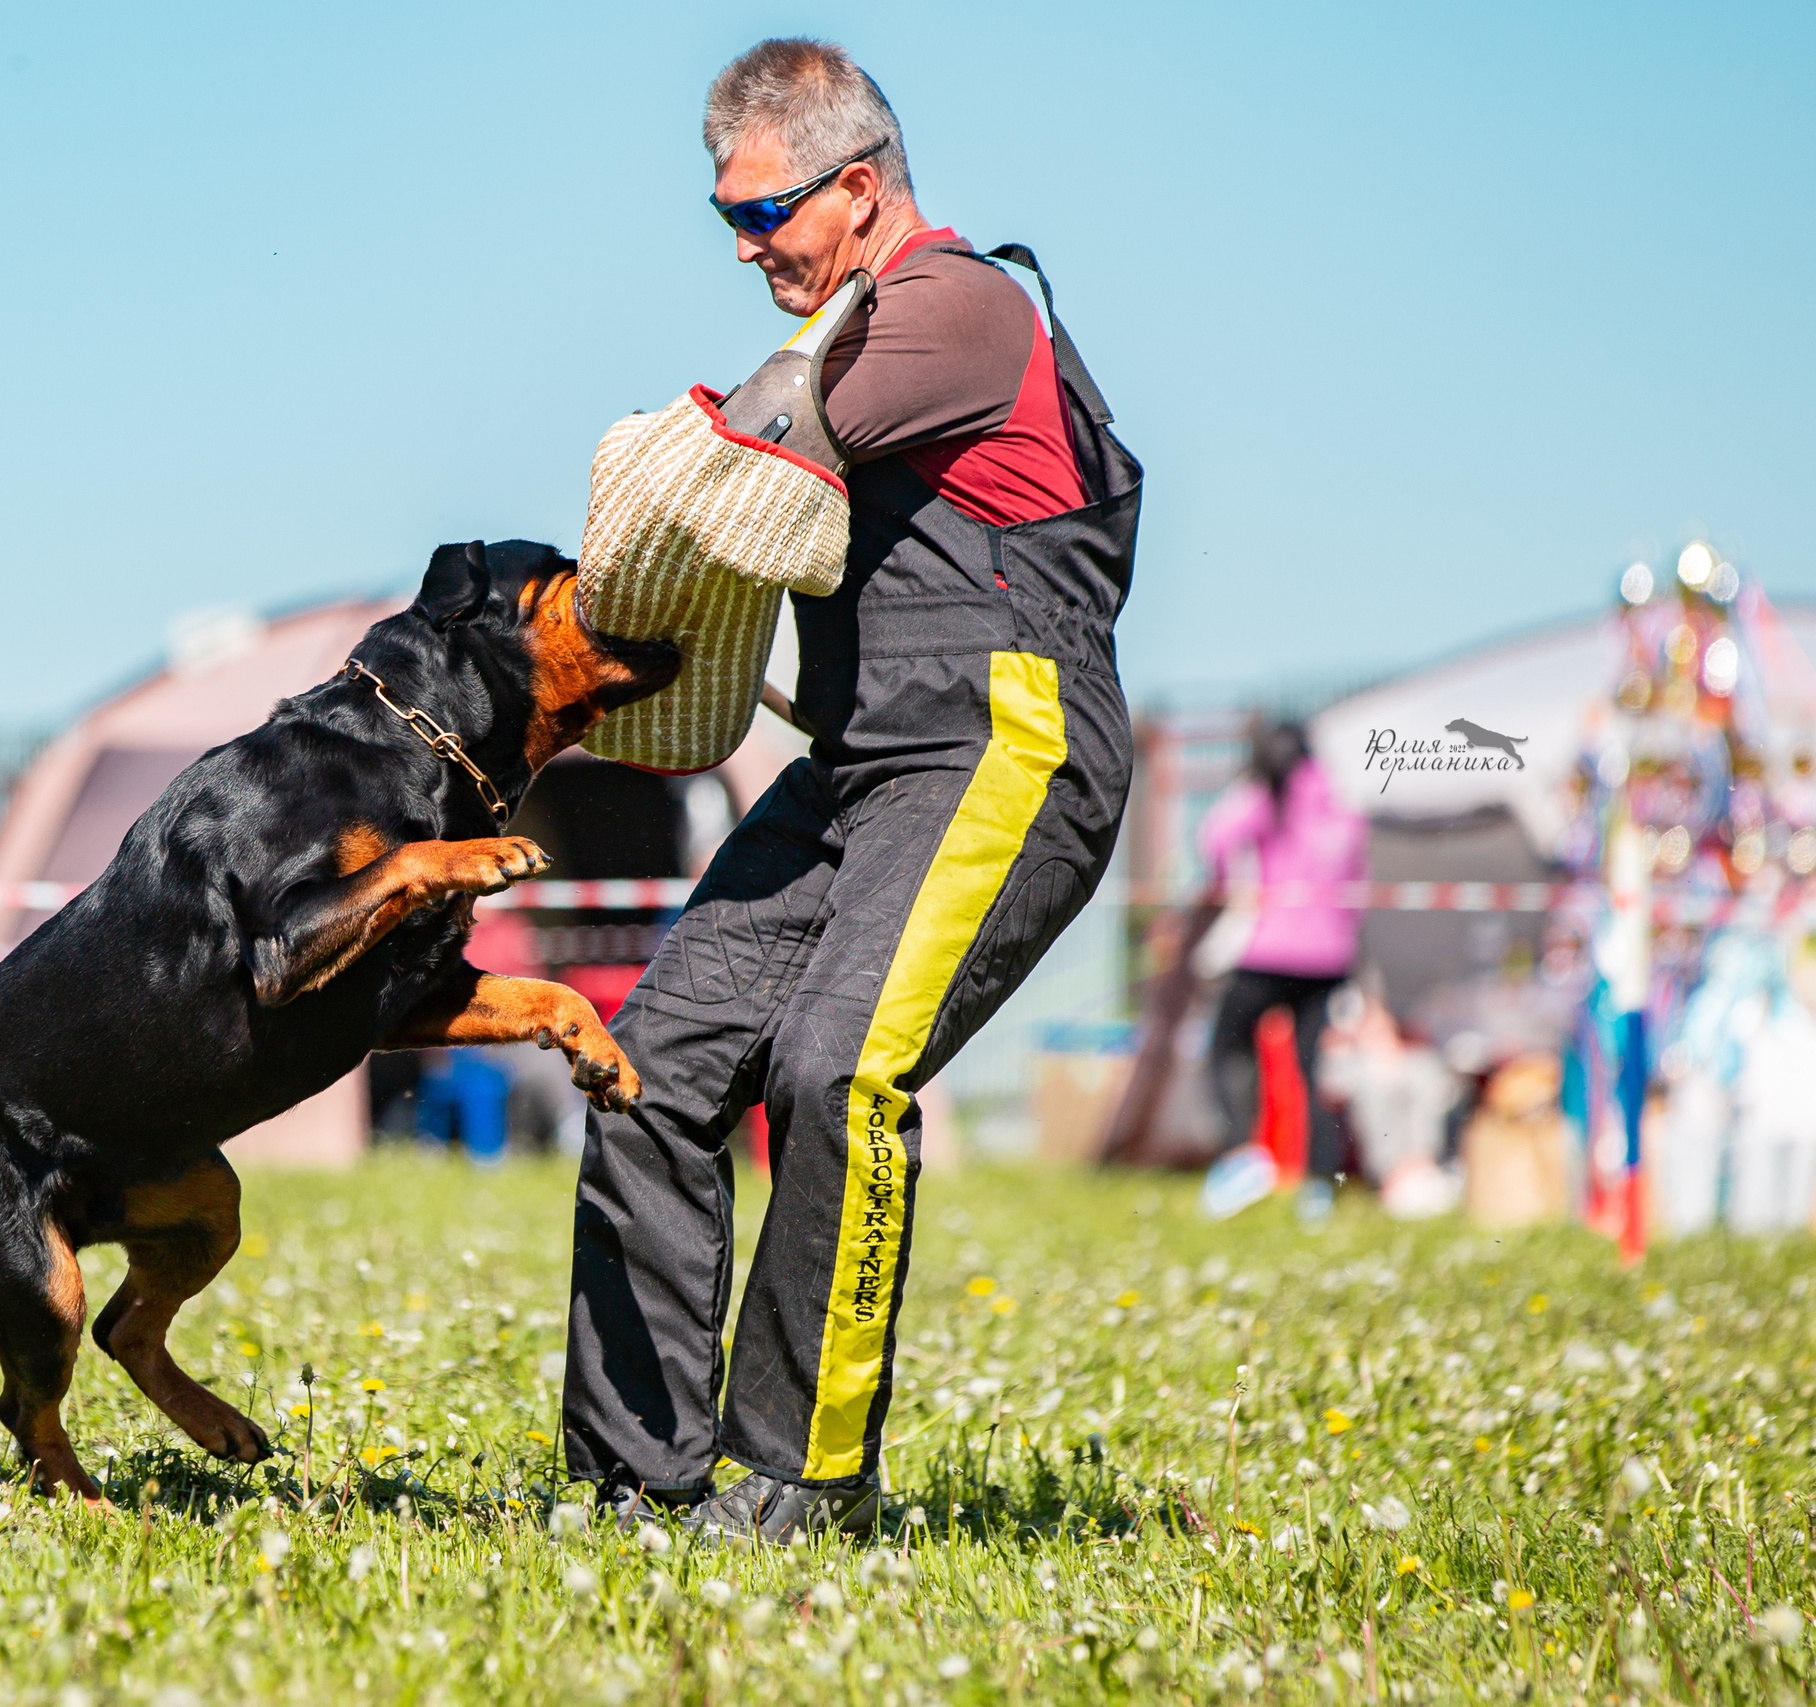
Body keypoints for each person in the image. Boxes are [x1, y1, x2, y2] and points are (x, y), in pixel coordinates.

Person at [561, 39, 1140, 1541]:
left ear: (864, 186)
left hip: (1006, 732)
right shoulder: (856, 318)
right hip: (865, 761)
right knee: (654, 1062)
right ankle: (640, 1473)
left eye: (767, 217)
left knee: (835, 1068)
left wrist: (649, 470)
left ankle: (805, 1480)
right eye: (727, 223)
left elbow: (758, 441)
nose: (749, 249)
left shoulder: (952, 303)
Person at [1196, 719, 1369, 1221]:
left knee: (1226, 1047)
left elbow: (1213, 839)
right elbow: (1358, 879)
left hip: (1267, 953)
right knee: (1316, 1073)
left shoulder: (1264, 794)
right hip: (1329, 959)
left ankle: (1240, 1153)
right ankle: (1319, 1190)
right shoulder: (1339, 802)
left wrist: (1235, 880)